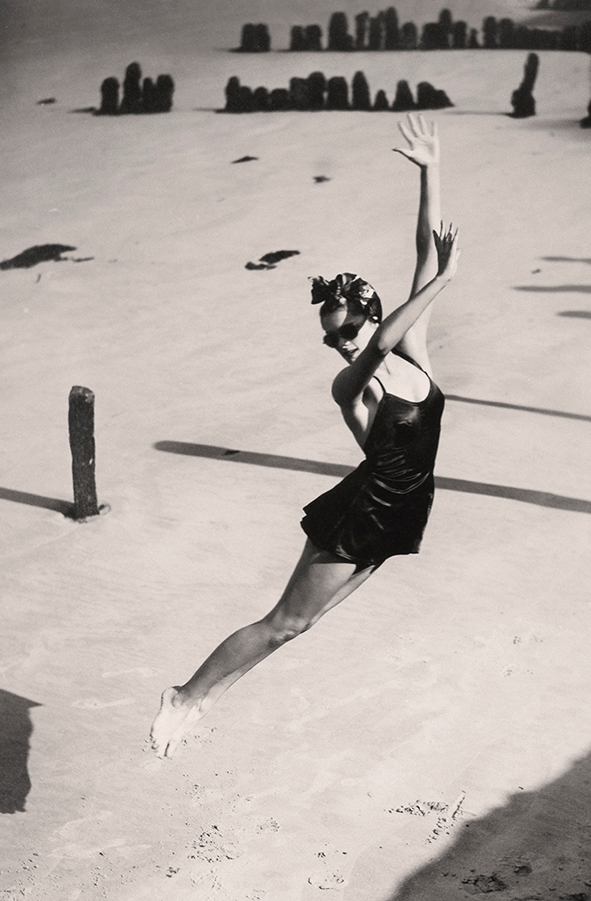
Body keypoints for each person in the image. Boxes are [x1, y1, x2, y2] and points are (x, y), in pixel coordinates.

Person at [150, 114, 460, 758]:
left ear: (371, 315)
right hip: (365, 508)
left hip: (405, 507)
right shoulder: (353, 384)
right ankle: (182, 694)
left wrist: (430, 171)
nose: (339, 343)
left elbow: (424, 252)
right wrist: (443, 284)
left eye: (346, 330)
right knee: (284, 621)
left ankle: (209, 695)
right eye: (330, 337)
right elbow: (384, 337)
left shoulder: (416, 356)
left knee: (300, 626)